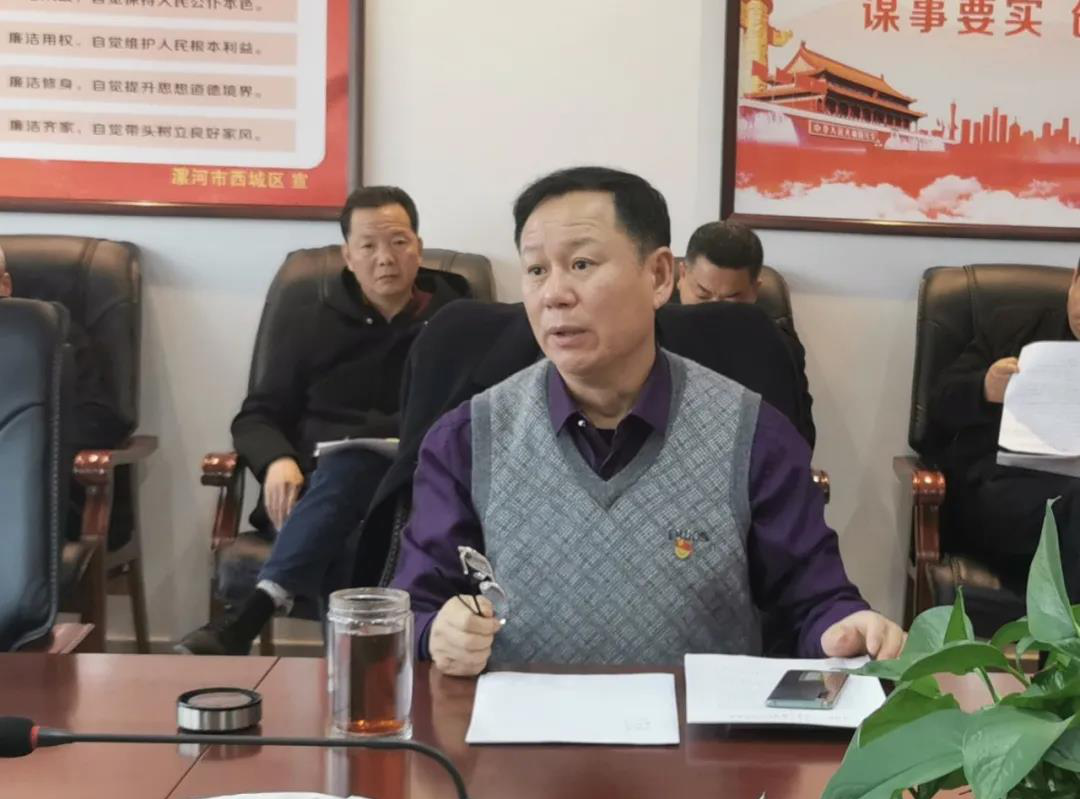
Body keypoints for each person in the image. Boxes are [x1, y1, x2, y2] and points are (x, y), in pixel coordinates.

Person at [390, 166, 904, 676]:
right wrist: (436, 632)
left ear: (658, 276)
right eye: (537, 270)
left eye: (581, 264)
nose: (554, 294)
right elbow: (411, 610)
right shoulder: (467, 440)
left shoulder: (752, 437)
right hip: (515, 729)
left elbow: (814, 601)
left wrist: (844, 628)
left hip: (699, 729)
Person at [177, 186, 471, 655]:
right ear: (348, 256)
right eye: (368, 246)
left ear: (418, 247)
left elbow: (472, 410)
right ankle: (371, 678)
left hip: (415, 486)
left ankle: (258, 609)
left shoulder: (458, 320)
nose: (385, 258)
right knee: (349, 482)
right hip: (314, 493)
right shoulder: (310, 320)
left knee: (359, 469)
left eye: (398, 242)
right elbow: (257, 415)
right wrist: (277, 461)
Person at [929, 263, 1080, 597]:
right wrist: (984, 388)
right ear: (1074, 280)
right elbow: (938, 407)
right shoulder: (1012, 326)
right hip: (1002, 490)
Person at [0, 244, 131, 535]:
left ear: (6, 285)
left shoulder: (55, 337)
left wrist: (23, 440)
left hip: (30, 490)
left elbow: (101, 419)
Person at [676, 220, 815, 448]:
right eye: (702, 294)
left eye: (731, 299)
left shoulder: (777, 347)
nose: (713, 308)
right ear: (682, 275)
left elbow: (797, 438)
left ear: (754, 291)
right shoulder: (649, 333)